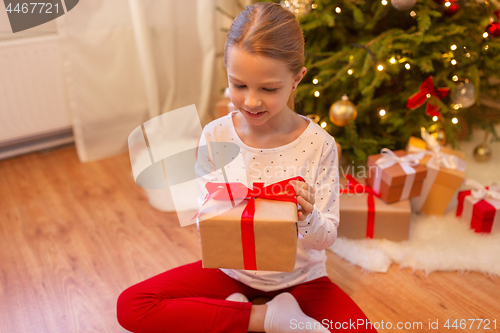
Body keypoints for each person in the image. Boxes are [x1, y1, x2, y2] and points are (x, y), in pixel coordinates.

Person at [117, 3, 377, 332]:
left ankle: (237, 316)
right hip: (231, 273)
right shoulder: (216, 135)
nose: (251, 101)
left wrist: (307, 217)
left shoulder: (319, 145)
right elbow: (205, 227)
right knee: (132, 306)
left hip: (302, 279)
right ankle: (266, 318)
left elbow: (325, 239)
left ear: (297, 78)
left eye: (268, 89)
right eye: (238, 85)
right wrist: (222, 213)